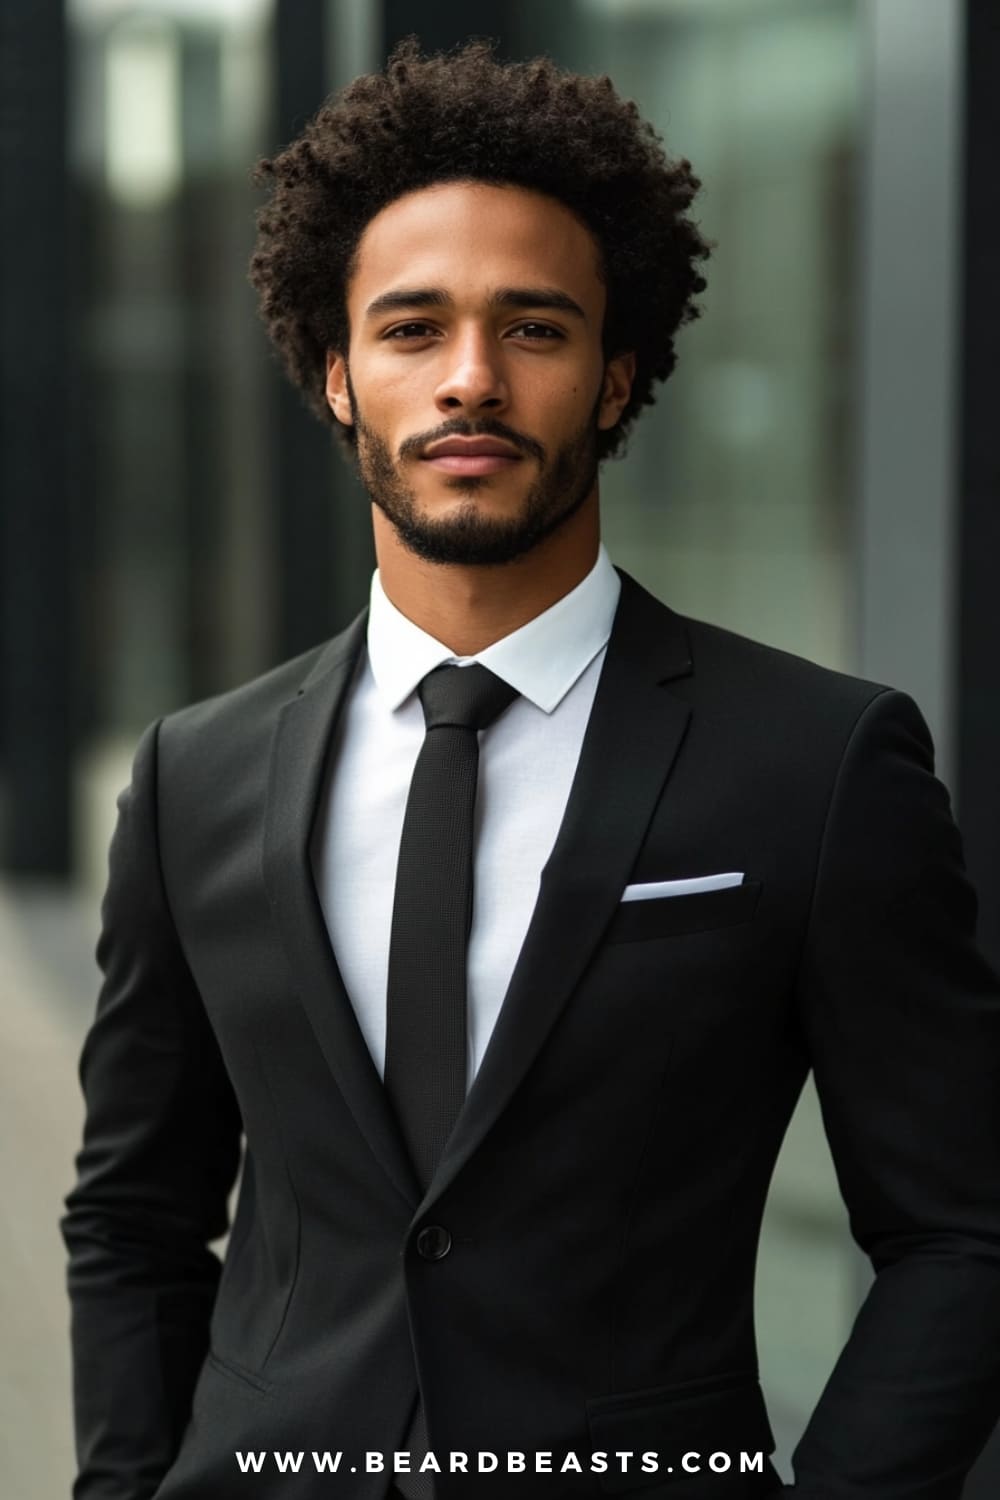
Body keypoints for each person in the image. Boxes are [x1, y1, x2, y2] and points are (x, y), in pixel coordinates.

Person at [62, 37, 1000, 1500]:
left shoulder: (820, 765)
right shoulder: (199, 774)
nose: (472, 382)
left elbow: (963, 1228)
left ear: (619, 378)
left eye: (537, 329)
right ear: (335, 373)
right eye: (413, 328)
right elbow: (133, 1216)